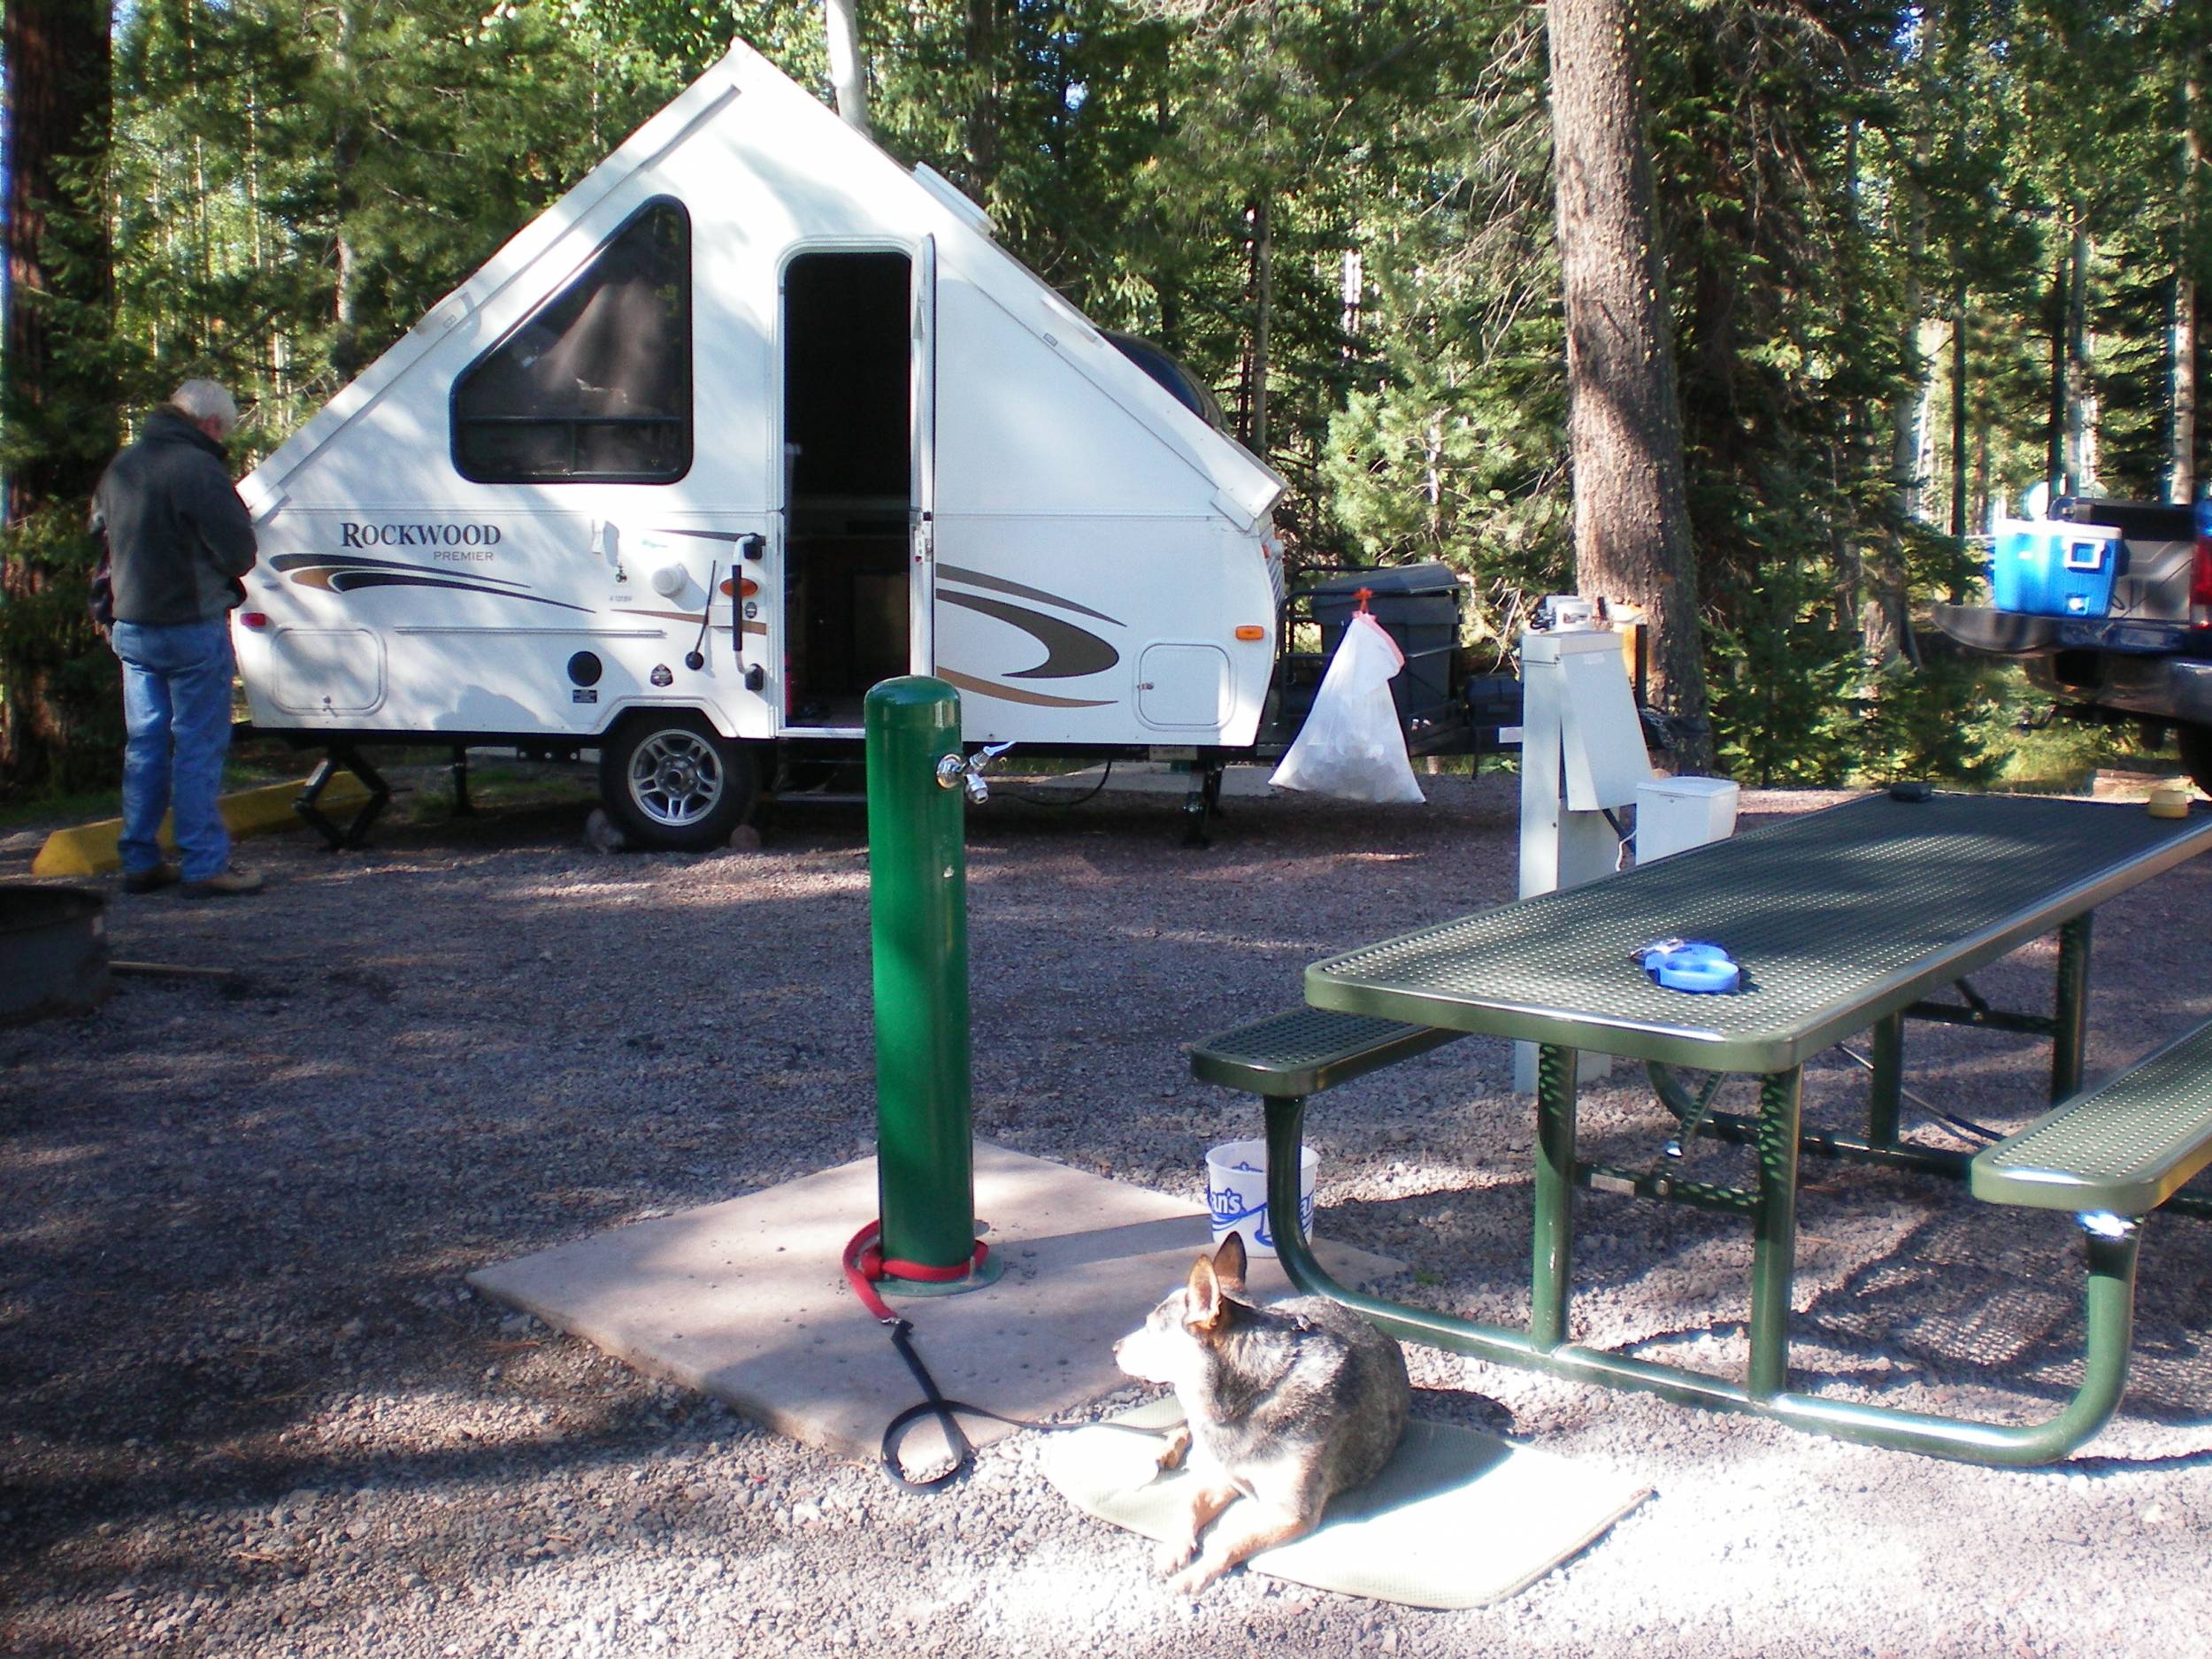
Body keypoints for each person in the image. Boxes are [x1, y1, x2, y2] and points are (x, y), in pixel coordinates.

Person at [93, 379, 264, 897]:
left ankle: (140, 859)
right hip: (190, 626)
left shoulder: (121, 466)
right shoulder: (197, 469)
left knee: (145, 745)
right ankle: (203, 864)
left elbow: (98, 541)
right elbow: (238, 553)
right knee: (196, 746)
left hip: (133, 627)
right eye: (225, 430)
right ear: (210, 424)